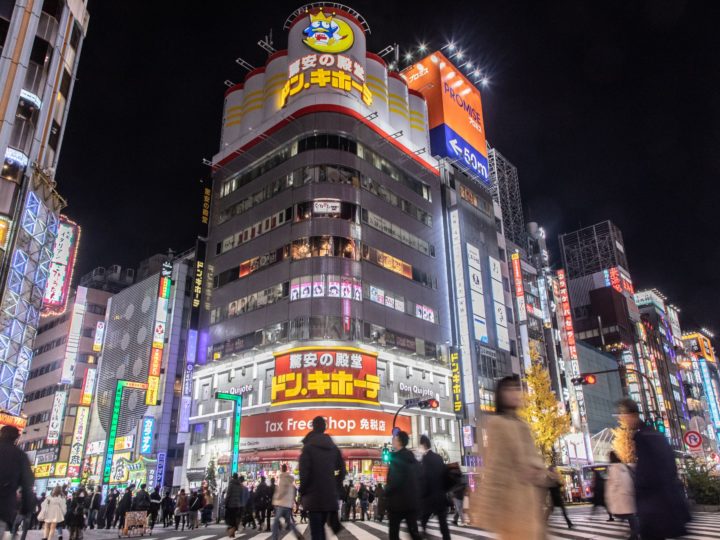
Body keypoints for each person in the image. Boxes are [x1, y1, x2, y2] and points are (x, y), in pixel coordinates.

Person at [468, 375, 547, 539]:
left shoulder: (523, 424)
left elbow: (535, 460)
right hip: (511, 505)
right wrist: (486, 507)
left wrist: (537, 470)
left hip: (530, 503)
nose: (514, 393)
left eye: (517, 389)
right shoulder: (497, 424)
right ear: (500, 395)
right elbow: (495, 467)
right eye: (508, 389)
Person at [617, 398, 690, 540]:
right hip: (664, 502)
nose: (622, 419)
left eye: (622, 415)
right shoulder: (654, 434)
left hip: (654, 506)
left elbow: (647, 473)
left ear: (630, 415)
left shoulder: (643, 437)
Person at [298, 415, 347, 540]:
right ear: (325, 428)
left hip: (313, 497)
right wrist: (336, 485)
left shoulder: (308, 447)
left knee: (317, 533)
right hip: (329, 497)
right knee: (322, 532)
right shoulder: (332, 447)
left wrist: (302, 491)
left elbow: (304, 474)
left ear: (313, 427)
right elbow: (342, 468)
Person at [384, 430, 422, 540]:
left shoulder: (397, 459)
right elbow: (419, 476)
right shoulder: (412, 458)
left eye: (394, 439)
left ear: (399, 441)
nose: (393, 441)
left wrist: (386, 491)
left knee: (394, 533)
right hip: (411, 502)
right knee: (413, 531)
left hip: (397, 503)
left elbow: (394, 480)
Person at [0, 426, 34, 538]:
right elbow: (27, 484)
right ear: (16, 438)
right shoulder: (20, 456)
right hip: (3, 506)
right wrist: (26, 508)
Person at [418, 435, 451, 540]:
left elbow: (424, 478)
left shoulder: (425, 459)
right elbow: (444, 475)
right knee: (443, 525)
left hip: (429, 498)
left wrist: (420, 495)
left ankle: (424, 534)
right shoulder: (438, 457)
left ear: (423, 445)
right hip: (440, 496)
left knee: (423, 521)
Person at [606, 451, 639, 539]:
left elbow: (614, 484)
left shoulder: (613, 468)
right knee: (630, 515)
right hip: (629, 494)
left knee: (626, 515)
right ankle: (634, 535)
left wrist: (609, 495)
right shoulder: (624, 466)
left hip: (621, 496)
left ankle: (635, 532)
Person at [271, 464, 303, 540]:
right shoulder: (291, 480)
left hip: (281, 503)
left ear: (282, 469)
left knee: (275, 522)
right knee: (289, 522)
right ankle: (298, 534)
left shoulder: (282, 478)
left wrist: (275, 500)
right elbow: (291, 493)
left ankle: (274, 538)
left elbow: (281, 491)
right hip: (288, 505)